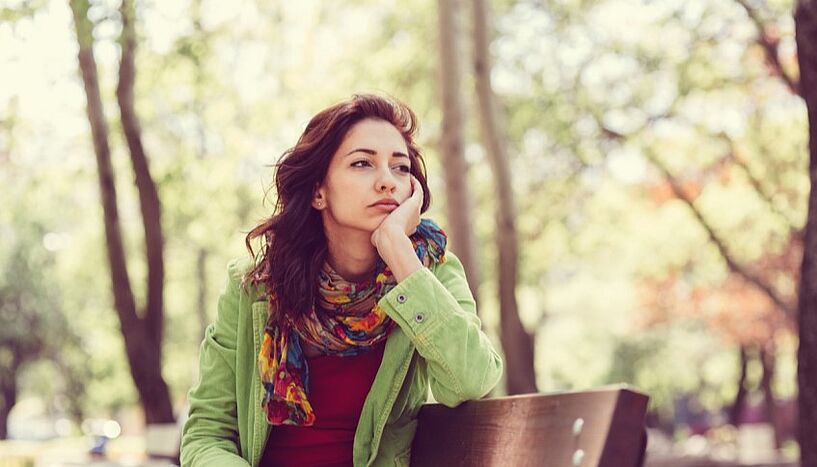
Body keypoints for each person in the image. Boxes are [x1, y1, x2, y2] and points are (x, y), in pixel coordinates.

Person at [180, 94, 503, 467]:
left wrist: (399, 251)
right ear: (319, 191)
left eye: (400, 168)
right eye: (363, 163)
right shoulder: (256, 284)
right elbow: (207, 434)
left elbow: (472, 380)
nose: (387, 182)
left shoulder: (428, 273)